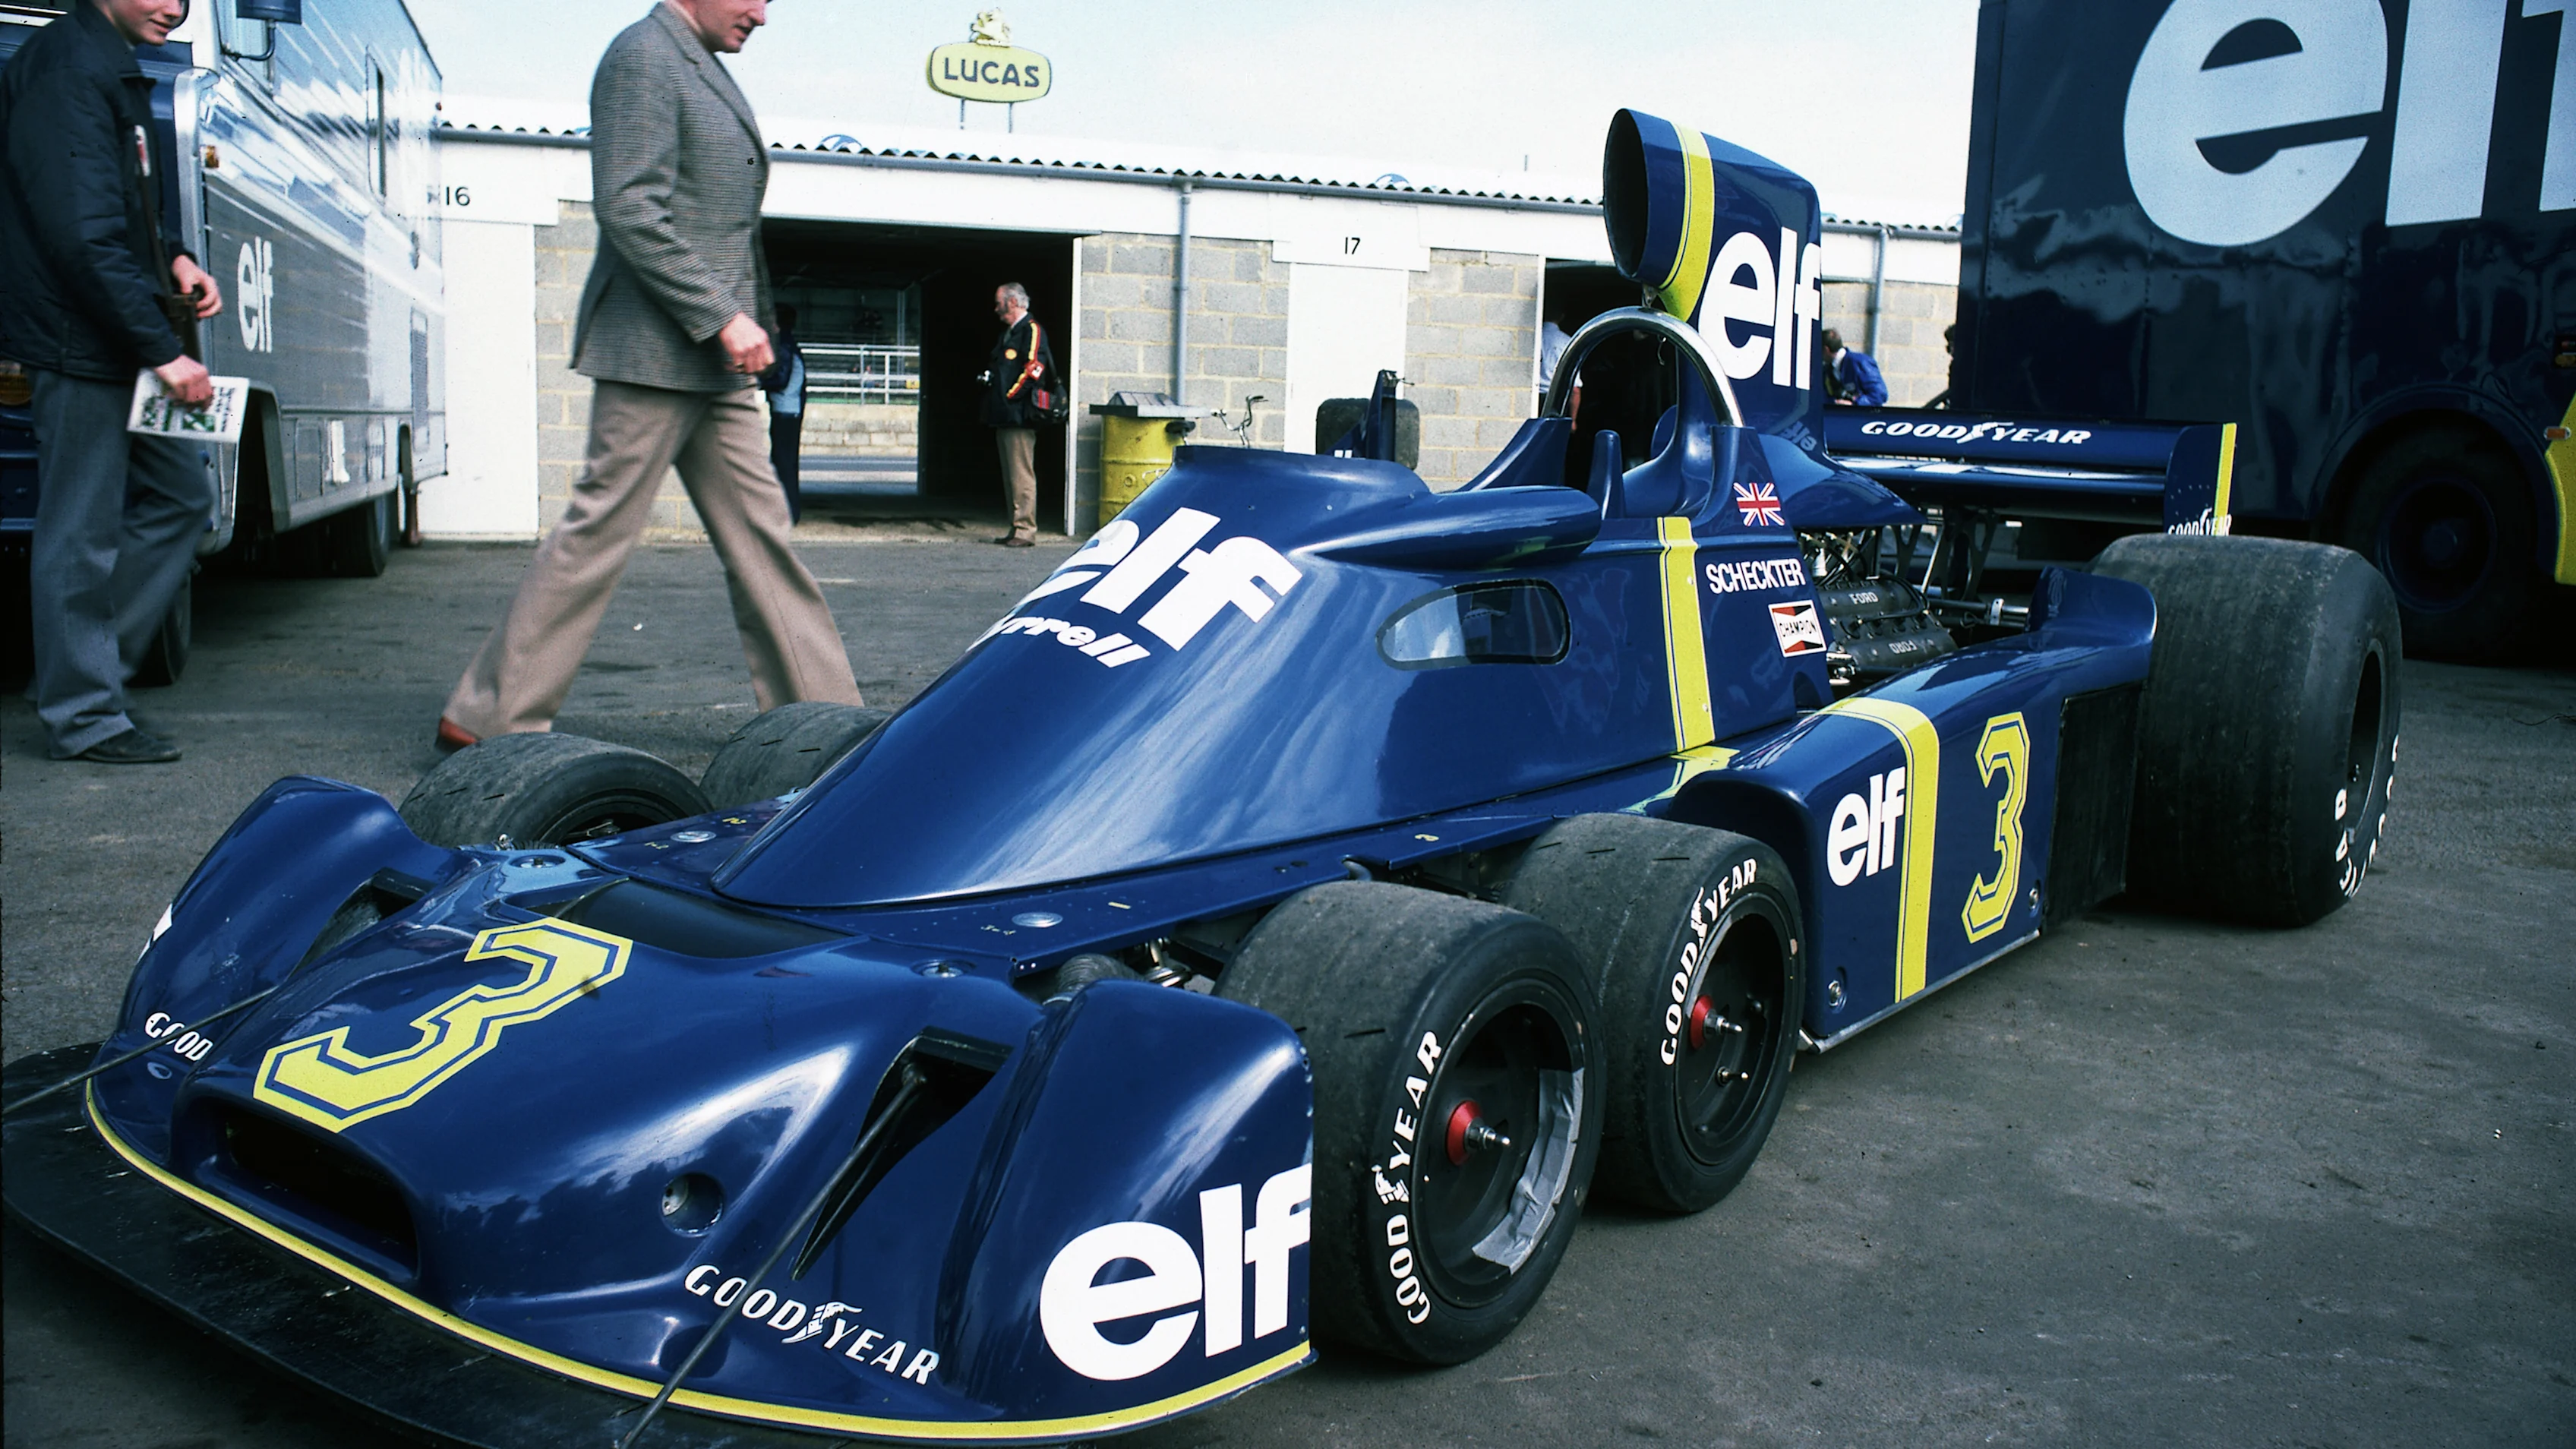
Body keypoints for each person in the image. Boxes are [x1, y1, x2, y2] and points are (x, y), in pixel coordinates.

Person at [435, 0, 860, 751]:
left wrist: (746, 326)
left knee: (764, 539)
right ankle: (488, 719)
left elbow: (725, 227)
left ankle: (823, 725)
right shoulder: (644, 55)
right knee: (598, 532)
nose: (762, 15)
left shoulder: (697, 64)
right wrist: (723, 316)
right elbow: (629, 205)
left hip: (714, 365)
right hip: (654, 354)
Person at [1, 0, 225, 765]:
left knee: (183, 496)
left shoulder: (108, 67)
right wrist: (165, 353)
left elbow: (120, 210)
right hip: (79, 341)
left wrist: (174, 256)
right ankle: (86, 716)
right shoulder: (68, 70)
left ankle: (74, 669)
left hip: (114, 337)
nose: (175, 8)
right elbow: (82, 237)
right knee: (80, 531)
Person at [981, 282, 1056, 548]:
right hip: (1005, 415)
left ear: (1013, 302)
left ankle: (1025, 530)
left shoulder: (1032, 330)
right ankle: (1016, 526)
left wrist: (1010, 396)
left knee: (1021, 473)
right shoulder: (1009, 333)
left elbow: (1034, 368)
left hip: (1019, 416)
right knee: (1011, 475)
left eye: (998, 302)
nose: (996, 308)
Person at [759, 301, 807, 522]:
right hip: (790, 411)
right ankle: (788, 512)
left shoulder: (783, 346)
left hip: (785, 412)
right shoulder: (789, 344)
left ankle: (786, 514)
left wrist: (757, 381)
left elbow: (781, 380)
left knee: (783, 463)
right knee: (785, 462)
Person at [1820, 328, 1888, 407]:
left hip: (1861, 414)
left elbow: (1880, 395)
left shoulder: (1860, 362)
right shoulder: (1827, 369)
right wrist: (1834, 402)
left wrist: (1854, 404)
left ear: (1826, 350)